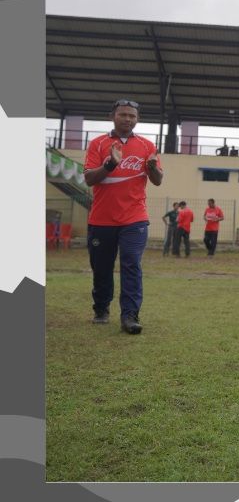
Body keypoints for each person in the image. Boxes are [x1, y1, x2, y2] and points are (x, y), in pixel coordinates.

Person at [83, 98, 163, 334]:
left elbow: (157, 181)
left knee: (131, 265)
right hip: (101, 219)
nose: (128, 119)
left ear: (137, 120)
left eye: (132, 116)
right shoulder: (98, 144)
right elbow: (89, 179)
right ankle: (101, 306)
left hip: (135, 218)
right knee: (102, 267)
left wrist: (151, 168)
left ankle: (130, 315)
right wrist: (110, 165)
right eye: (123, 115)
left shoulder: (148, 146)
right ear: (112, 116)